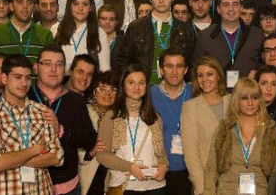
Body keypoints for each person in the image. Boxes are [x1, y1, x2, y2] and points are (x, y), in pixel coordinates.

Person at [0, 54, 64, 194]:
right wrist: (33, 151)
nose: (24, 83)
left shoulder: (42, 111)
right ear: (4, 78)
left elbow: (57, 156)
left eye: (27, 78)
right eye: (18, 77)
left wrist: (11, 159)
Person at [28, 45, 97, 194]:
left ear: (65, 69)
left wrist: (61, 130)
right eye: (47, 63)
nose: (53, 69)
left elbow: (90, 138)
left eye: (59, 64)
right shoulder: (25, 96)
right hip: (31, 183)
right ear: (36, 67)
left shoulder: (75, 100)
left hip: (67, 185)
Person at [96, 64, 168, 194]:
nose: (136, 87)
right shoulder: (111, 117)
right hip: (124, 186)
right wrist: (130, 167)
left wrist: (164, 166)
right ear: (123, 85)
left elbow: (161, 155)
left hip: (154, 186)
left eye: (141, 83)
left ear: (146, 87)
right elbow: (101, 155)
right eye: (131, 82)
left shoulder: (155, 118)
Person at [204, 77, 276, 195]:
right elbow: (211, 167)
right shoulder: (224, 128)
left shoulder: (270, 130)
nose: (250, 103)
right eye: (244, 98)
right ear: (236, 100)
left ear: (260, 101)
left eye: (255, 98)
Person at [117, 0, 195, 84]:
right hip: (143, 91)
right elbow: (123, 61)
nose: (161, 1)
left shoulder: (185, 29)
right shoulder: (136, 27)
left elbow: (191, 64)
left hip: (176, 91)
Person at [181, 56, 230, 195]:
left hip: (233, 181)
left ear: (218, 76)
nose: (205, 79)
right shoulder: (190, 107)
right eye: (200, 75)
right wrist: (201, 188)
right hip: (207, 183)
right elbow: (190, 153)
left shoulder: (233, 102)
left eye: (209, 74)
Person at [193, 0, 265, 81]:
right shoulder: (205, 37)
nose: (231, 9)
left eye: (235, 4)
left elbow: (265, 63)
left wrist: (259, 71)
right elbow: (196, 68)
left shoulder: (256, 34)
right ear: (218, 9)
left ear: (240, 8)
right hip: (216, 92)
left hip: (248, 92)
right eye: (226, 5)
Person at [150, 48, 193, 193]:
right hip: (158, 170)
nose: (174, 72)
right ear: (161, 70)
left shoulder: (196, 93)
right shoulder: (149, 96)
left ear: (186, 69)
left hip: (190, 170)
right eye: (169, 66)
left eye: (179, 66)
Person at [0, 0, 54, 65]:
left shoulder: (45, 35)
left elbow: (50, 68)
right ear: (11, 6)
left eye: (29, 2)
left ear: (34, 7)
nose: (25, 6)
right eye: (20, 2)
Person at [55, 0, 110, 72]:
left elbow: (104, 69)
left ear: (91, 7)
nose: (80, 8)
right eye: (76, 4)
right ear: (69, 6)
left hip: (89, 82)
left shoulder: (99, 33)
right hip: (61, 82)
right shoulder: (56, 29)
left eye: (85, 4)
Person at [80, 72, 118, 194]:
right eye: (102, 89)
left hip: (111, 174)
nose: (108, 93)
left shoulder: (120, 117)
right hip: (88, 172)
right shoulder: (83, 112)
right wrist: (90, 152)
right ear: (94, 92)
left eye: (113, 89)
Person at [98, 5, 124, 79]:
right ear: (98, 21)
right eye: (103, 19)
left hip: (117, 83)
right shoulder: (92, 40)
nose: (107, 22)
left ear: (116, 22)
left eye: (111, 19)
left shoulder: (124, 42)